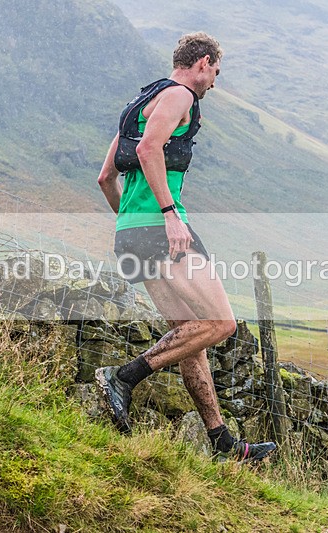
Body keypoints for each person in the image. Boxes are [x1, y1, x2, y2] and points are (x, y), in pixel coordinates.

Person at [95, 32, 276, 463]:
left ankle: (222, 443)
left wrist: (133, 225)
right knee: (221, 323)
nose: (214, 82)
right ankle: (123, 377)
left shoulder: (141, 103)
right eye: (216, 72)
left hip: (133, 232)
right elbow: (149, 148)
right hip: (163, 229)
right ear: (204, 62)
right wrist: (169, 213)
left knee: (188, 335)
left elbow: (106, 177)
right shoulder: (179, 95)